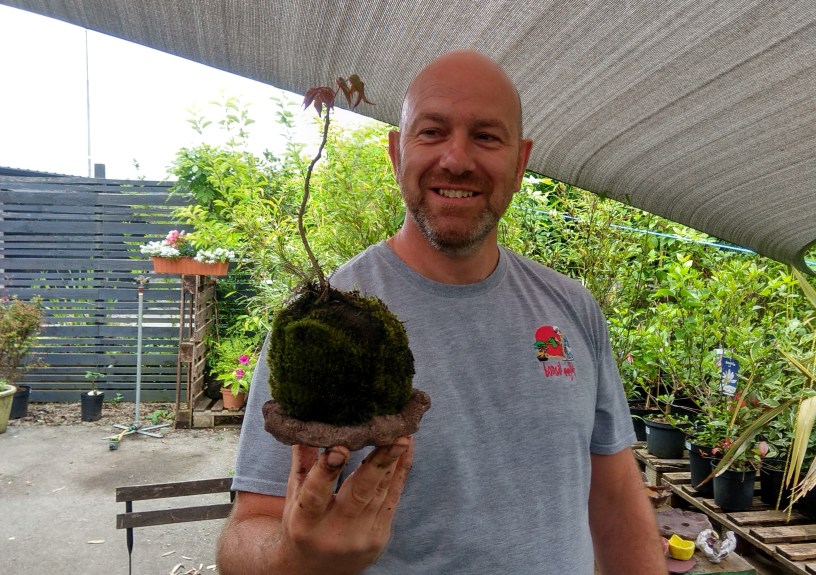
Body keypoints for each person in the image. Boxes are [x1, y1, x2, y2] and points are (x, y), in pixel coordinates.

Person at [217, 50, 667, 574]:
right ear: (396, 153)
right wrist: (294, 554)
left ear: (520, 162)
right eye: (431, 132)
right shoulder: (322, 325)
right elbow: (245, 533)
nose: (456, 159)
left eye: (486, 136)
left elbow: (615, 495)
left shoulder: (571, 307)